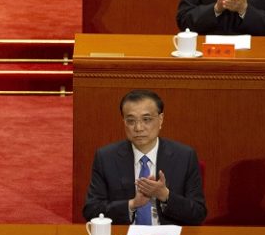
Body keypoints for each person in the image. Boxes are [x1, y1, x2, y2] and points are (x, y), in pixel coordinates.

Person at [83, 90, 206, 226]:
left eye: (146, 119)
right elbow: (91, 211)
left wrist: (165, 196)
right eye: (131, 121)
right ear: (124, 122)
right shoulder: (106, 158)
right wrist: (132, 204)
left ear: (160, 119)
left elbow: (198, 213)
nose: (138, 128)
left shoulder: (184, 156)